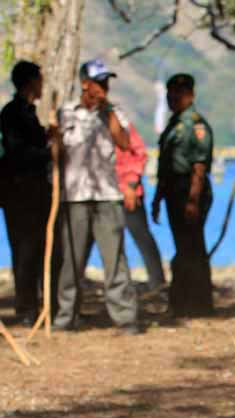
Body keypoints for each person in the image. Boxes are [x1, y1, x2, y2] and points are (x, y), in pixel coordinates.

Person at [55, 59, 140, 333]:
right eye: (99, 82)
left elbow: (125, 143)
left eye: (106, 82)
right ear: (85, 84)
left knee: (114, 259)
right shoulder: (66, 112)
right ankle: (66, 316)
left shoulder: (115, 112)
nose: (103, 87)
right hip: (74, 196)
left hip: (106, 195)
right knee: (72, 260)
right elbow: (57, 153)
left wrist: (108, 113)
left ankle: (125, 318)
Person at [153, 73, 214, 316]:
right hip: (173, 190)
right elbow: (165, 165)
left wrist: (193, 200)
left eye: (179, 92)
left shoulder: (195, 125)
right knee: (184, 246)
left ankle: (197, 303)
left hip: (189, 190)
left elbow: (199, 166)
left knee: (192, 247)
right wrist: (157, 197)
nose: (174, 97)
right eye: (171, 93)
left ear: (191, 95)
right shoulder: (174, 123)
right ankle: (184, 302)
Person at [0, 61, 53, 325]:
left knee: (34, 248)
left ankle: (37, 305)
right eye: (40, 80)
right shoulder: (12, 112)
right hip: (20, 192)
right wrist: (48, 153)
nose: (43, 85)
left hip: (34, 191)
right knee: (25, 249)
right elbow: (17, 152)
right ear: (31, 82)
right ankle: (26, 309)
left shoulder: (28, 113)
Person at [115, 120, 165, 293]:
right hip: (102, 192)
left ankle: (157, 281)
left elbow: (140, 153)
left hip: (128, 190)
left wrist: (131, 183)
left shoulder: (122, 123)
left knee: (141, 235)